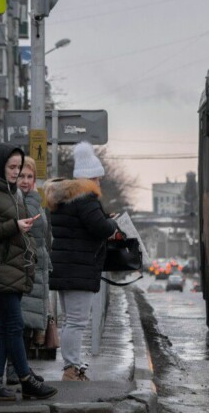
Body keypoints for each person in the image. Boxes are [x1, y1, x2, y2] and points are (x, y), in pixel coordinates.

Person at [0, 144, 57, 401]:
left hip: (15, 269)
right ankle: (26, 379)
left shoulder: (14, 194)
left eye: (19, 168)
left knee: (6, 329)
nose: (16, 173)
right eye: (12, 167)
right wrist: (14, 226)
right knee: (15, 326)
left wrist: (24, 232)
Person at [45, 141, 119, 382]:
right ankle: (71, 368)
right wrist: (113, 223)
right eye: (97, 179)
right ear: (89, 178)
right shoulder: (85, 198)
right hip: (78, 268)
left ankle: (72, 365)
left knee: (70, 321)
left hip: (66, 266)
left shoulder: (65, 198)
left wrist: (103, 218)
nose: (99, 183)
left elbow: (81, 225)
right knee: (76, 322)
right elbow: (99, 228)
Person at [6, 157, 52, 385]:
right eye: (21, 175)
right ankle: (15, 370)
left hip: (36, 269)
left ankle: (21, 367)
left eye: (29, 176)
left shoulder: (33, 199)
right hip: (23, 268)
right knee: (20, 323)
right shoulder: (18, 200)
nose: (24, 180)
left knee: (27, 324)